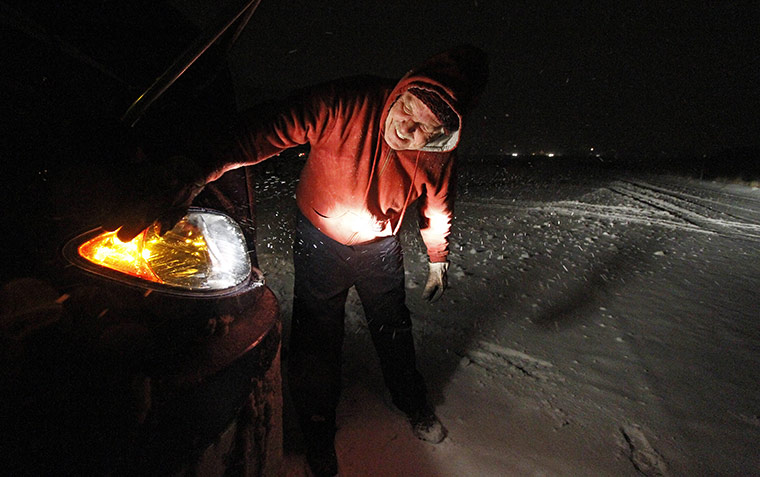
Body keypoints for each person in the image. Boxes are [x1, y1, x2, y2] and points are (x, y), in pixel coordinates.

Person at [107, 44, 488, 477]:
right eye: (407, 109)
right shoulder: (348, 102)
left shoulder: (436, 153)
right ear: (401, 89)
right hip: (320, 240)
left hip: (380, 249)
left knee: (393, 327)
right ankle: (318, 430)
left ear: (442, 132)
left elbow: (437, 204)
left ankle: (412, 402)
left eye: (425, 127)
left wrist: (438, 255)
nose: (408, 129)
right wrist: (198, 167)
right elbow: (269, 125)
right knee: (317, 335)